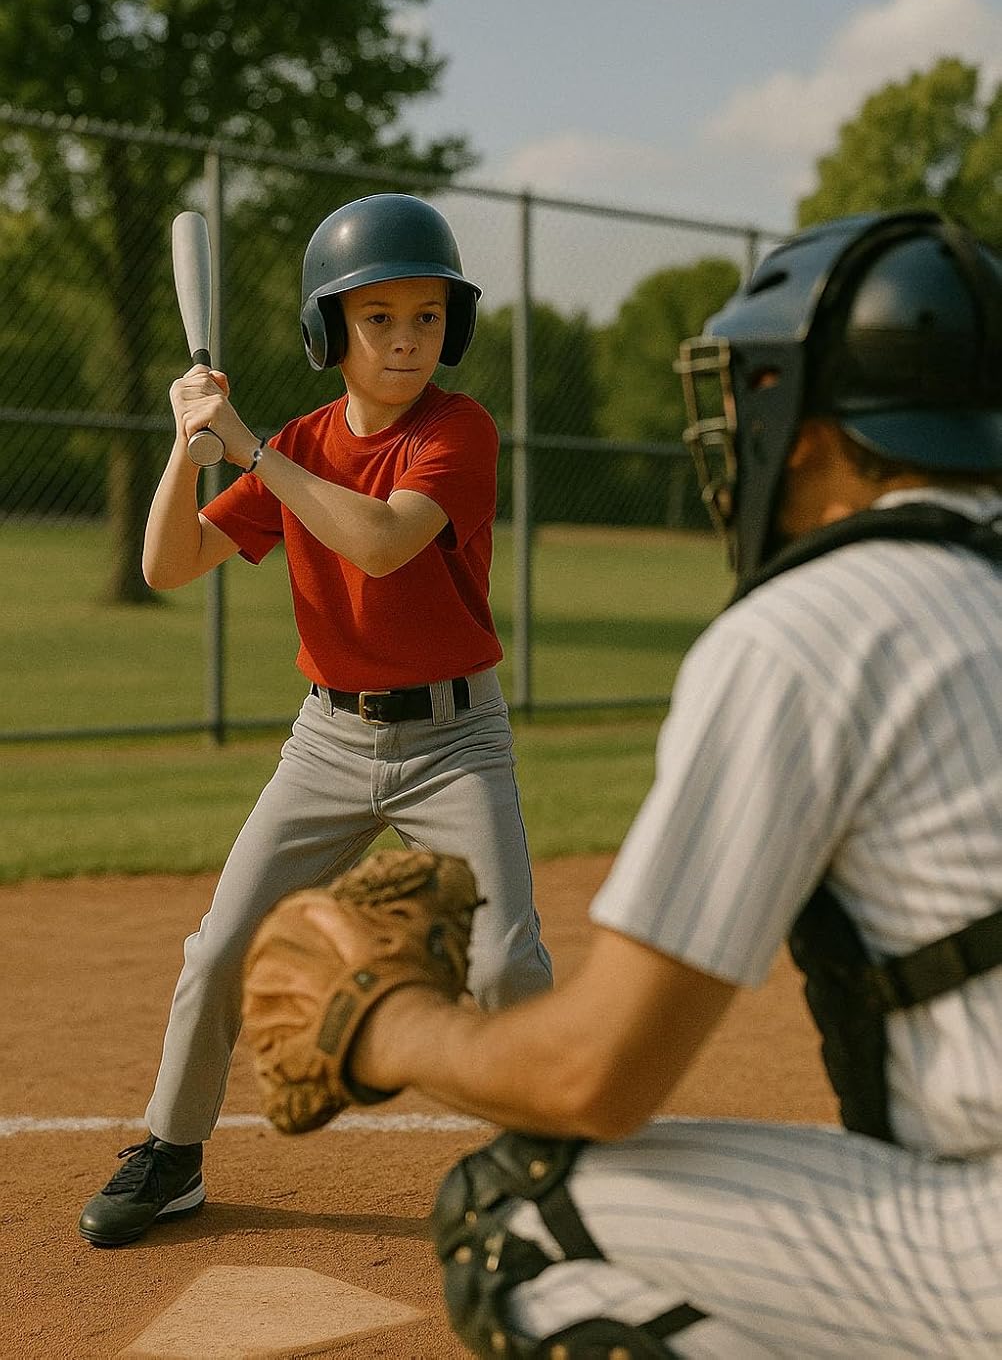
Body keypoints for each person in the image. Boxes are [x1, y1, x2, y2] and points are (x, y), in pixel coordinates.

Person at [304, 210, 1002, 1357]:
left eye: (751, 389)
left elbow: (596, 1075)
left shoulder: (811, 626)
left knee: (519, 1218)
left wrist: (390, 1030)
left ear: (815, 419)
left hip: (982, 1242)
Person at [78, 192, 552, 1248]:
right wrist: (187, 441)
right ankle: (172, 1152)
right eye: (377, 317)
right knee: (220, 949)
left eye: (427, 316)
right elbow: (167, 564)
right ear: (327, 333)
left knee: (506, 962)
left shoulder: (457, 431)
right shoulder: (291, 441)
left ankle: (554, 1159)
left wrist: (251, 452)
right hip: (328, 742)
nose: (405, 338)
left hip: (453, 742)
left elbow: (381, 541)